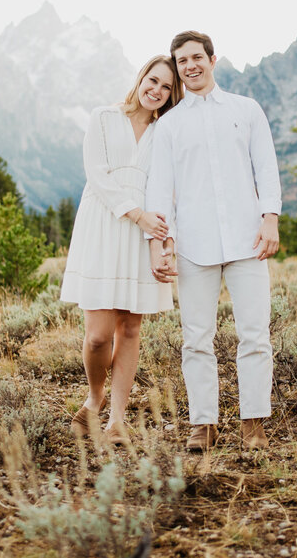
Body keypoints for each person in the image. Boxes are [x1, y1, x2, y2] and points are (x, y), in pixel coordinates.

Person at [146, 30, 281, 452]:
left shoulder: (247, 110)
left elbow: (267, 168)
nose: (190, 66)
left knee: (255, 335)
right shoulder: (168, 126)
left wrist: (270, 220)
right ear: (178, 67)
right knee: (196, 339)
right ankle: (203, 425)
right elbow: (158, 190)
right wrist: (158, 244)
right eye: (182, 61)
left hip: (248, 241)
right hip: (193, 246)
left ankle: (253, 424)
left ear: (212, 59)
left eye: (196, 57)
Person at [60, 56, 182, 446]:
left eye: (166, 87)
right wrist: (137, 215)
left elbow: (168, 191)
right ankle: (93, 398)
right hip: (104, 225)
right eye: (153, 80)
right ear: (140, 77)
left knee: (130, 328)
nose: (157, 91)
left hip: (143, 236)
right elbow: (96, 174)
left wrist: (162, 241)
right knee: (98, 336)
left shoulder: (165, 133)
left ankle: (116, 420)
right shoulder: (103, 117)